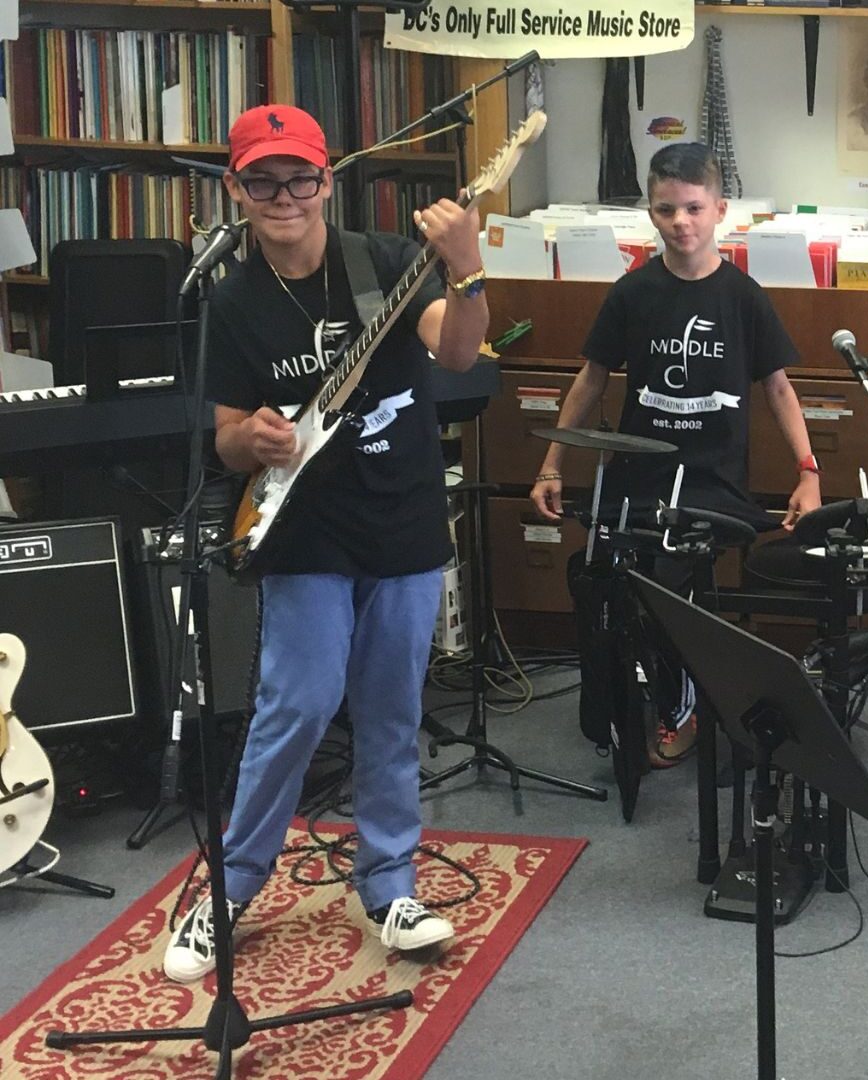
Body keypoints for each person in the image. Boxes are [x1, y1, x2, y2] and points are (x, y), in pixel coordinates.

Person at [165, 104, 489, 982]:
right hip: (304, 530)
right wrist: (256, 444)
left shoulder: (381, 262)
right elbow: (228, 435)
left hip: (404, 520)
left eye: (299, 177)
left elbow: (456, 354)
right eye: (262, 180)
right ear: (237, 189)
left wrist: (466, 273)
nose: (283, 196)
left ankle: (389, 883)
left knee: (390, 710)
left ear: (326, 180)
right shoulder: (231, 303)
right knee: (297, 707)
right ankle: (231, 886)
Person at [531, 142, 820, 767]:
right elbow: (591, 379)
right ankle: (628, 698)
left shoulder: (744, 298)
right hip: (641, 478)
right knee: (605, 576)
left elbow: (778, 388)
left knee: (669, 585)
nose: (680, 223)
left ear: (720, 210)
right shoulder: (632, 294)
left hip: (713, 484)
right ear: (651, 212)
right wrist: (551, 464)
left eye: (693, 209)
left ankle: (682, 705)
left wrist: (808, 472)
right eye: (666, 210)